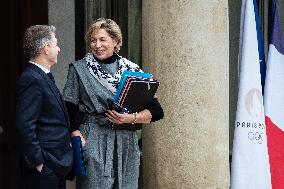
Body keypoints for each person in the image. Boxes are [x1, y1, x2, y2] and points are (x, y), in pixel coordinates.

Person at [63, 18, 164, 189]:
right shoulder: (79, 69)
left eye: (102, 39)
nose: (97, 45)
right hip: (93, 138)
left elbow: (157, 111)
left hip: (127, 142)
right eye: (93, 40)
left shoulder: (132, 71)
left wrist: (130, 118)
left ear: (116, 41)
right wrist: (76, 134)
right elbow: (67, 107)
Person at [16, 25, 73, 189]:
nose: (59, 49)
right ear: (46, 48)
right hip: (44, 167)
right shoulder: (31, 79)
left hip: (54, 165)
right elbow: (25, 125)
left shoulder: (43, 76)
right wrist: (38, 161)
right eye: (56, 44)